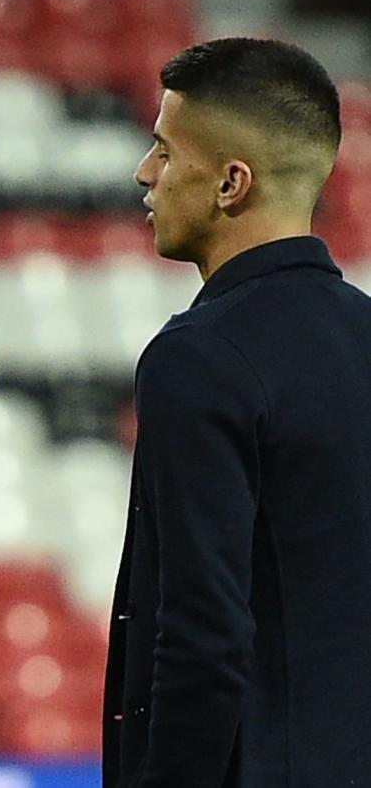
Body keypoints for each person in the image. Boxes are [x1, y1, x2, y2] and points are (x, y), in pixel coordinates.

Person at [103, 38, 370, 786]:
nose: (144, 174)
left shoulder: (199, 357)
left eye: (163, 150)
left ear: (230, 182)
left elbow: (203, 640)